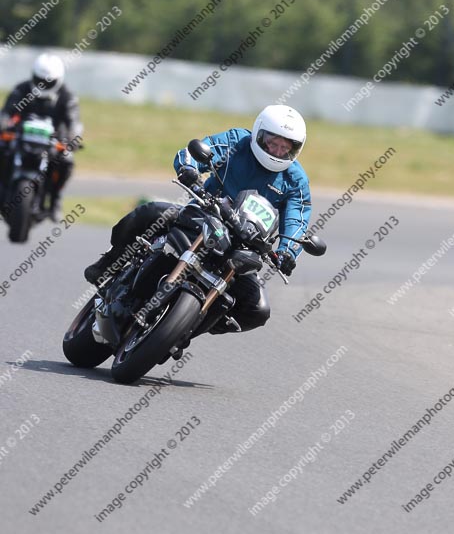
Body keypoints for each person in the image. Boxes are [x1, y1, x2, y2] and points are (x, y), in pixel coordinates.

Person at [84, 105, 312, 335]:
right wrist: (188, 169)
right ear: (259, 135)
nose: (278, 151)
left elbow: (298, 219)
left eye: (286, 147)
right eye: (272, 143)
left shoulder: (296, 180)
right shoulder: (237, 141)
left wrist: (287, 252)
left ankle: (184, 329)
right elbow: (196, 152)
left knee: (258, 310)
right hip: (203, 215)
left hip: (243, 246)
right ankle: (109, 264)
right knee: (151, 212)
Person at [0, 53, 81, 220]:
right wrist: (4, 124)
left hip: (53, 140)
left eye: (48, 82)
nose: (43, 84)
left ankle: (55, 199)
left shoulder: (67, 97)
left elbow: (73, 122)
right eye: (40, 80)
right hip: (20, 136)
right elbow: (6, 112)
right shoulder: (21, 89)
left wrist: (72, 138)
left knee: (67, 161)